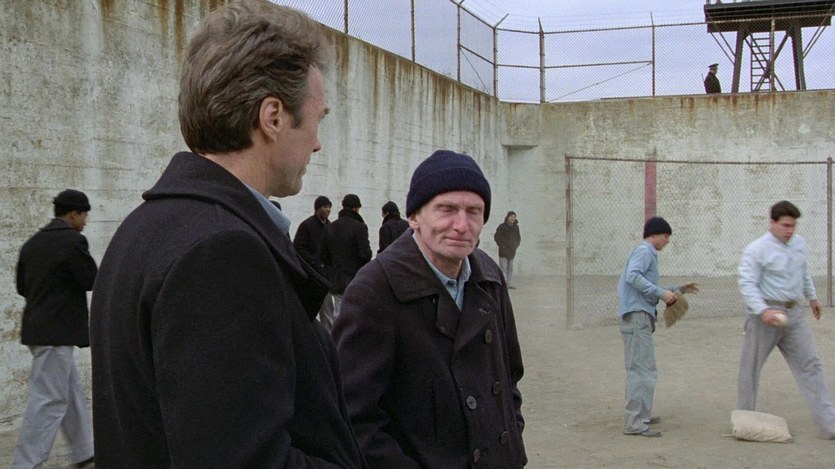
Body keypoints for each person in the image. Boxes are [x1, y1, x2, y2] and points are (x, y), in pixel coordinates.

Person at [89, 2, 367, 467]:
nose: (318, 142)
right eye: (318, 118)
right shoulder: (221, 253)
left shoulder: (146, 226)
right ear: (273, 117)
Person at [333, 150, 527, 467]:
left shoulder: (489, 277)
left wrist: (510, 441)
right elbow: (353, 416)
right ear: (414, 217)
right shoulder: (374, 290)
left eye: (474, 211)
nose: (461, 225)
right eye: (446, 209)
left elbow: (509, 376)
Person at [13, 189, 97, 469]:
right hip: (57, 332)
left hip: (37, 329)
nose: (85, 221)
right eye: (83, 215)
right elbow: (90, 278)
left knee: (69, 392)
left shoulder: (33, 243)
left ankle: (85, 451)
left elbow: (22, 287)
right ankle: (26, 464)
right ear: (73, 214)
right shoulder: (72, 241)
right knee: (49, 400)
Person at [737, 200, 835, 438]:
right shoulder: (757, 249)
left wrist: (812, 297)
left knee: (811, 365)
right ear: (772, 222)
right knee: (750, 368)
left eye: (793, 225)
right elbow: (747, 283)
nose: (790, 230)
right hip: (765, 315)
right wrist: (763, 310)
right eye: (785, 225)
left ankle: (830, 424)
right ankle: (744, 422)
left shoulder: (798, 243)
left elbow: (803, 271)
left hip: (794, 314)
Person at [618, 216, 697, 438]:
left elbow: (645, 286)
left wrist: (678, 288)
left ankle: (641, 414)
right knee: (641, 370)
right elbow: (633, 277)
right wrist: (662, 294)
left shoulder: (645, 253)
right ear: (654, 234)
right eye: (666, 236)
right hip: (637, 317)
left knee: (643, 369)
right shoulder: (645, 251)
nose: (667, 241)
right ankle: (635, 422)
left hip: (638, 317)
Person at [319, 194, 372, 331]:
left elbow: (324, 255)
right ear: (355, 208)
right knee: (356, 313)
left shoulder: (330, 227)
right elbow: (365, 254)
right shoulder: (360, 227)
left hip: (337, 278)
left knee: (338, 311)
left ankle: (337, 340)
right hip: (356, 278)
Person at [294, 195, 332, 275]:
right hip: (310, 269)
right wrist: (313, 262)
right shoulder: (307, 225)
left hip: (326, 270)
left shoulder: (330, 226)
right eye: (325, 207)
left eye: (329, 207)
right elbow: (298, 246)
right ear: (317, 209)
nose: (328, 209)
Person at [494, 210, 521, 289]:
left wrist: (515, 246)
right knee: (503, 268)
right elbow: (497, 237)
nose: (512, 218)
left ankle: (509, 283)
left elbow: (518, 238)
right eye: (511, 217)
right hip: (503, 251)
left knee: (510, 268)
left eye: (514, 217)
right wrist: (502, 245)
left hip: (511, 251)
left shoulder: (516, 227)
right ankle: (503, 284)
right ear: (508, 217)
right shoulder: (502, 226)